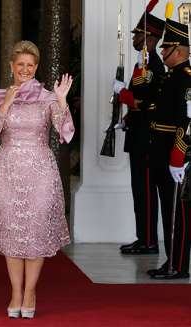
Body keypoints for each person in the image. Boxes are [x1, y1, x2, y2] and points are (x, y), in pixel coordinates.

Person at [0, 41, 74, 319]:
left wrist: (62, 100)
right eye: (21, 65)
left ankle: (30, 291)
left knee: (35, 230)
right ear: (11, 66)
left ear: (36, 67)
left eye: (30, 65)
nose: (25, 69)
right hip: (7, 169)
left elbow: (65, 131)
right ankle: (15, 292)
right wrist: (6, 103)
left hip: (40, 170)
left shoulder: (47, 97)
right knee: (12, 231)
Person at [112, 5, 165, 254]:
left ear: (149, 38)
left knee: (144, 191)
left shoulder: (153, 65)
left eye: (137, 35)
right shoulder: (143, 64)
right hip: (138, 135)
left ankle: (149, 241)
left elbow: (147, 102)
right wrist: (126, 119)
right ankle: (143, 237)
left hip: (146, 139)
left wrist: (122, 93)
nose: (134, 38)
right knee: (139, 190)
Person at [146, 18, 191, 280]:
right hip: (162, 152)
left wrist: (179, 154)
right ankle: (170, 260)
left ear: (180, 50)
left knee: (180, 214)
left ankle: (179, 265)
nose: (162, 53)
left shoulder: (186, 80)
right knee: (168, 211)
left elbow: (187, 120)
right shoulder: (171, 77)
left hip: (177, 155)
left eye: (167, 48)